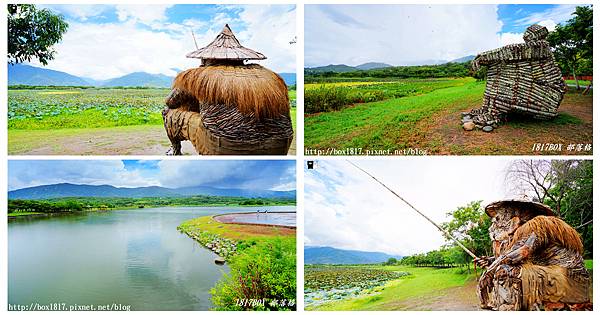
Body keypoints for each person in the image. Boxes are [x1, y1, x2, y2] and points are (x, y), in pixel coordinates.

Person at [475, 200, 591, 310]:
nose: (493, 226)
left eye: (498, 219)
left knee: (505, 272)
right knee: (503, 268)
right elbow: (512, 253)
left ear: (514, 221)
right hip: (563, 278)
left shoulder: (536, 225)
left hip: (567, 279)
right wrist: (490, 261)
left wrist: (488, 273)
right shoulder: (529, 230)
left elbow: (521, 253)